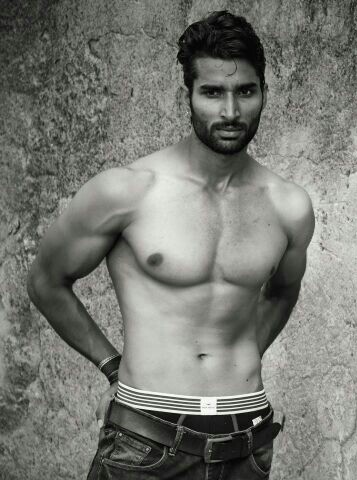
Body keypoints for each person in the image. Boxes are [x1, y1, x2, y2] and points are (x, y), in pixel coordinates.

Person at [26, 10, 314, 479]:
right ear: (188, 96)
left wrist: (240, 359)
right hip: (146, 440)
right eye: (212, 92)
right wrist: (114, 367)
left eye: (245, 91)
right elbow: (46, 281)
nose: (230, 112)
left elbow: (282, 293)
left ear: (264, 92)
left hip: (246, 439)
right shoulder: (128, 190)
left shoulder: (289, 206)